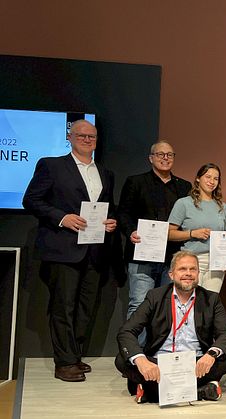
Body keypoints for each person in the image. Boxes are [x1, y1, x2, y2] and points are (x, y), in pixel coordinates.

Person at [23, 119, 117, 382]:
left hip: (95, 250)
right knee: (63, 306)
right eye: (82, 135)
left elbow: (108, 207)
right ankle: (64, 362)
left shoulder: (105, 172)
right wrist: (63, 217)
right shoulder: (51, 165)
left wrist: (111, 221)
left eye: (92, 136)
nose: (87, 140)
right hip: (63, 248)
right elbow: (31, 200)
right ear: (70, 137)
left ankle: (74, 356)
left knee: (85, 307)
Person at [115, 250, 226, 403]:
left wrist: (210, 355)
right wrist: (142, 361)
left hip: (195, 363)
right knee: (122, 360)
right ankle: (201, 391)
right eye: (182, 269)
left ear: (198, 273)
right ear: (171, 275)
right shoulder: (155, 296)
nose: (188, 273)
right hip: (159, 363)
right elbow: (126, 332)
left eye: (193, 269)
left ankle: (152, 392)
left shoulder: (211, 299)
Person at [117, 141, 191, 323]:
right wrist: (130, 232)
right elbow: (123, 213)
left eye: (169, 155)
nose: (165, 158)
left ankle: (159, 351)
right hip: (142, 255)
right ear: (151, 158)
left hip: (171, 257)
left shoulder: (184, 187)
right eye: (160, 154)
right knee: (139, 304)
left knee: (167, 306)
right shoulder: (136, 182)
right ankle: (134, 350)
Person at [167, 163, 226, 293]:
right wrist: (192, 233)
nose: (211, 181)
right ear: (198, 178)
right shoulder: (184, 203)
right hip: (190, 260)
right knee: (189, 302)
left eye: (216, 178)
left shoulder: (223, 208)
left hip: (216, 263)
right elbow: (168, 234)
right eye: (208, 177)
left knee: (209, 304)